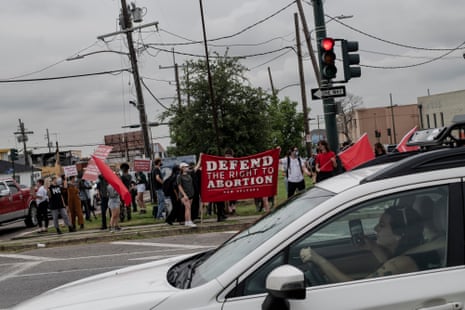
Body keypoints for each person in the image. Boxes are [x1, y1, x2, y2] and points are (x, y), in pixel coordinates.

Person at [300, 206, 425, 283]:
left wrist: (319, 260)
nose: (376, 229)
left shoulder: (401, 263)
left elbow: (353, 289)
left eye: (382, 226)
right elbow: (386, 261)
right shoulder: (407, 253)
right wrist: (373, 247)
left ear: (399, 234)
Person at [177, 160, 201, 227]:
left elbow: (196, 167)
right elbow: (179, 186)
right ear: (182, 168)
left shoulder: (189, 174)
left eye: (187, 166)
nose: (187, 168)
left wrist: (200, 158)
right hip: (184, 195)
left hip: (190, 194)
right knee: (188, 207)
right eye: (186, 167)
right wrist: (184, 195)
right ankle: (189, 221)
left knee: (188, 208)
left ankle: (187, 221)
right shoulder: (179, 176)